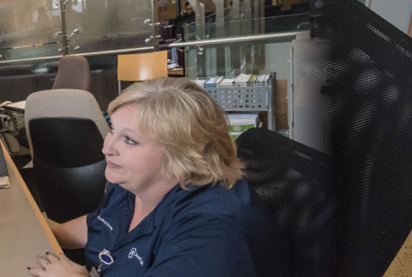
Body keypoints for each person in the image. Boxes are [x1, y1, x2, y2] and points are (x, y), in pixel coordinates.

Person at [29, 78, 289, 277]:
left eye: (130, 140)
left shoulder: (212, 233)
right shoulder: (135, 181)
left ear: (182, 157)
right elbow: (100, 224)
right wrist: (42, 236)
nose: (106, 148)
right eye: (112, 130)